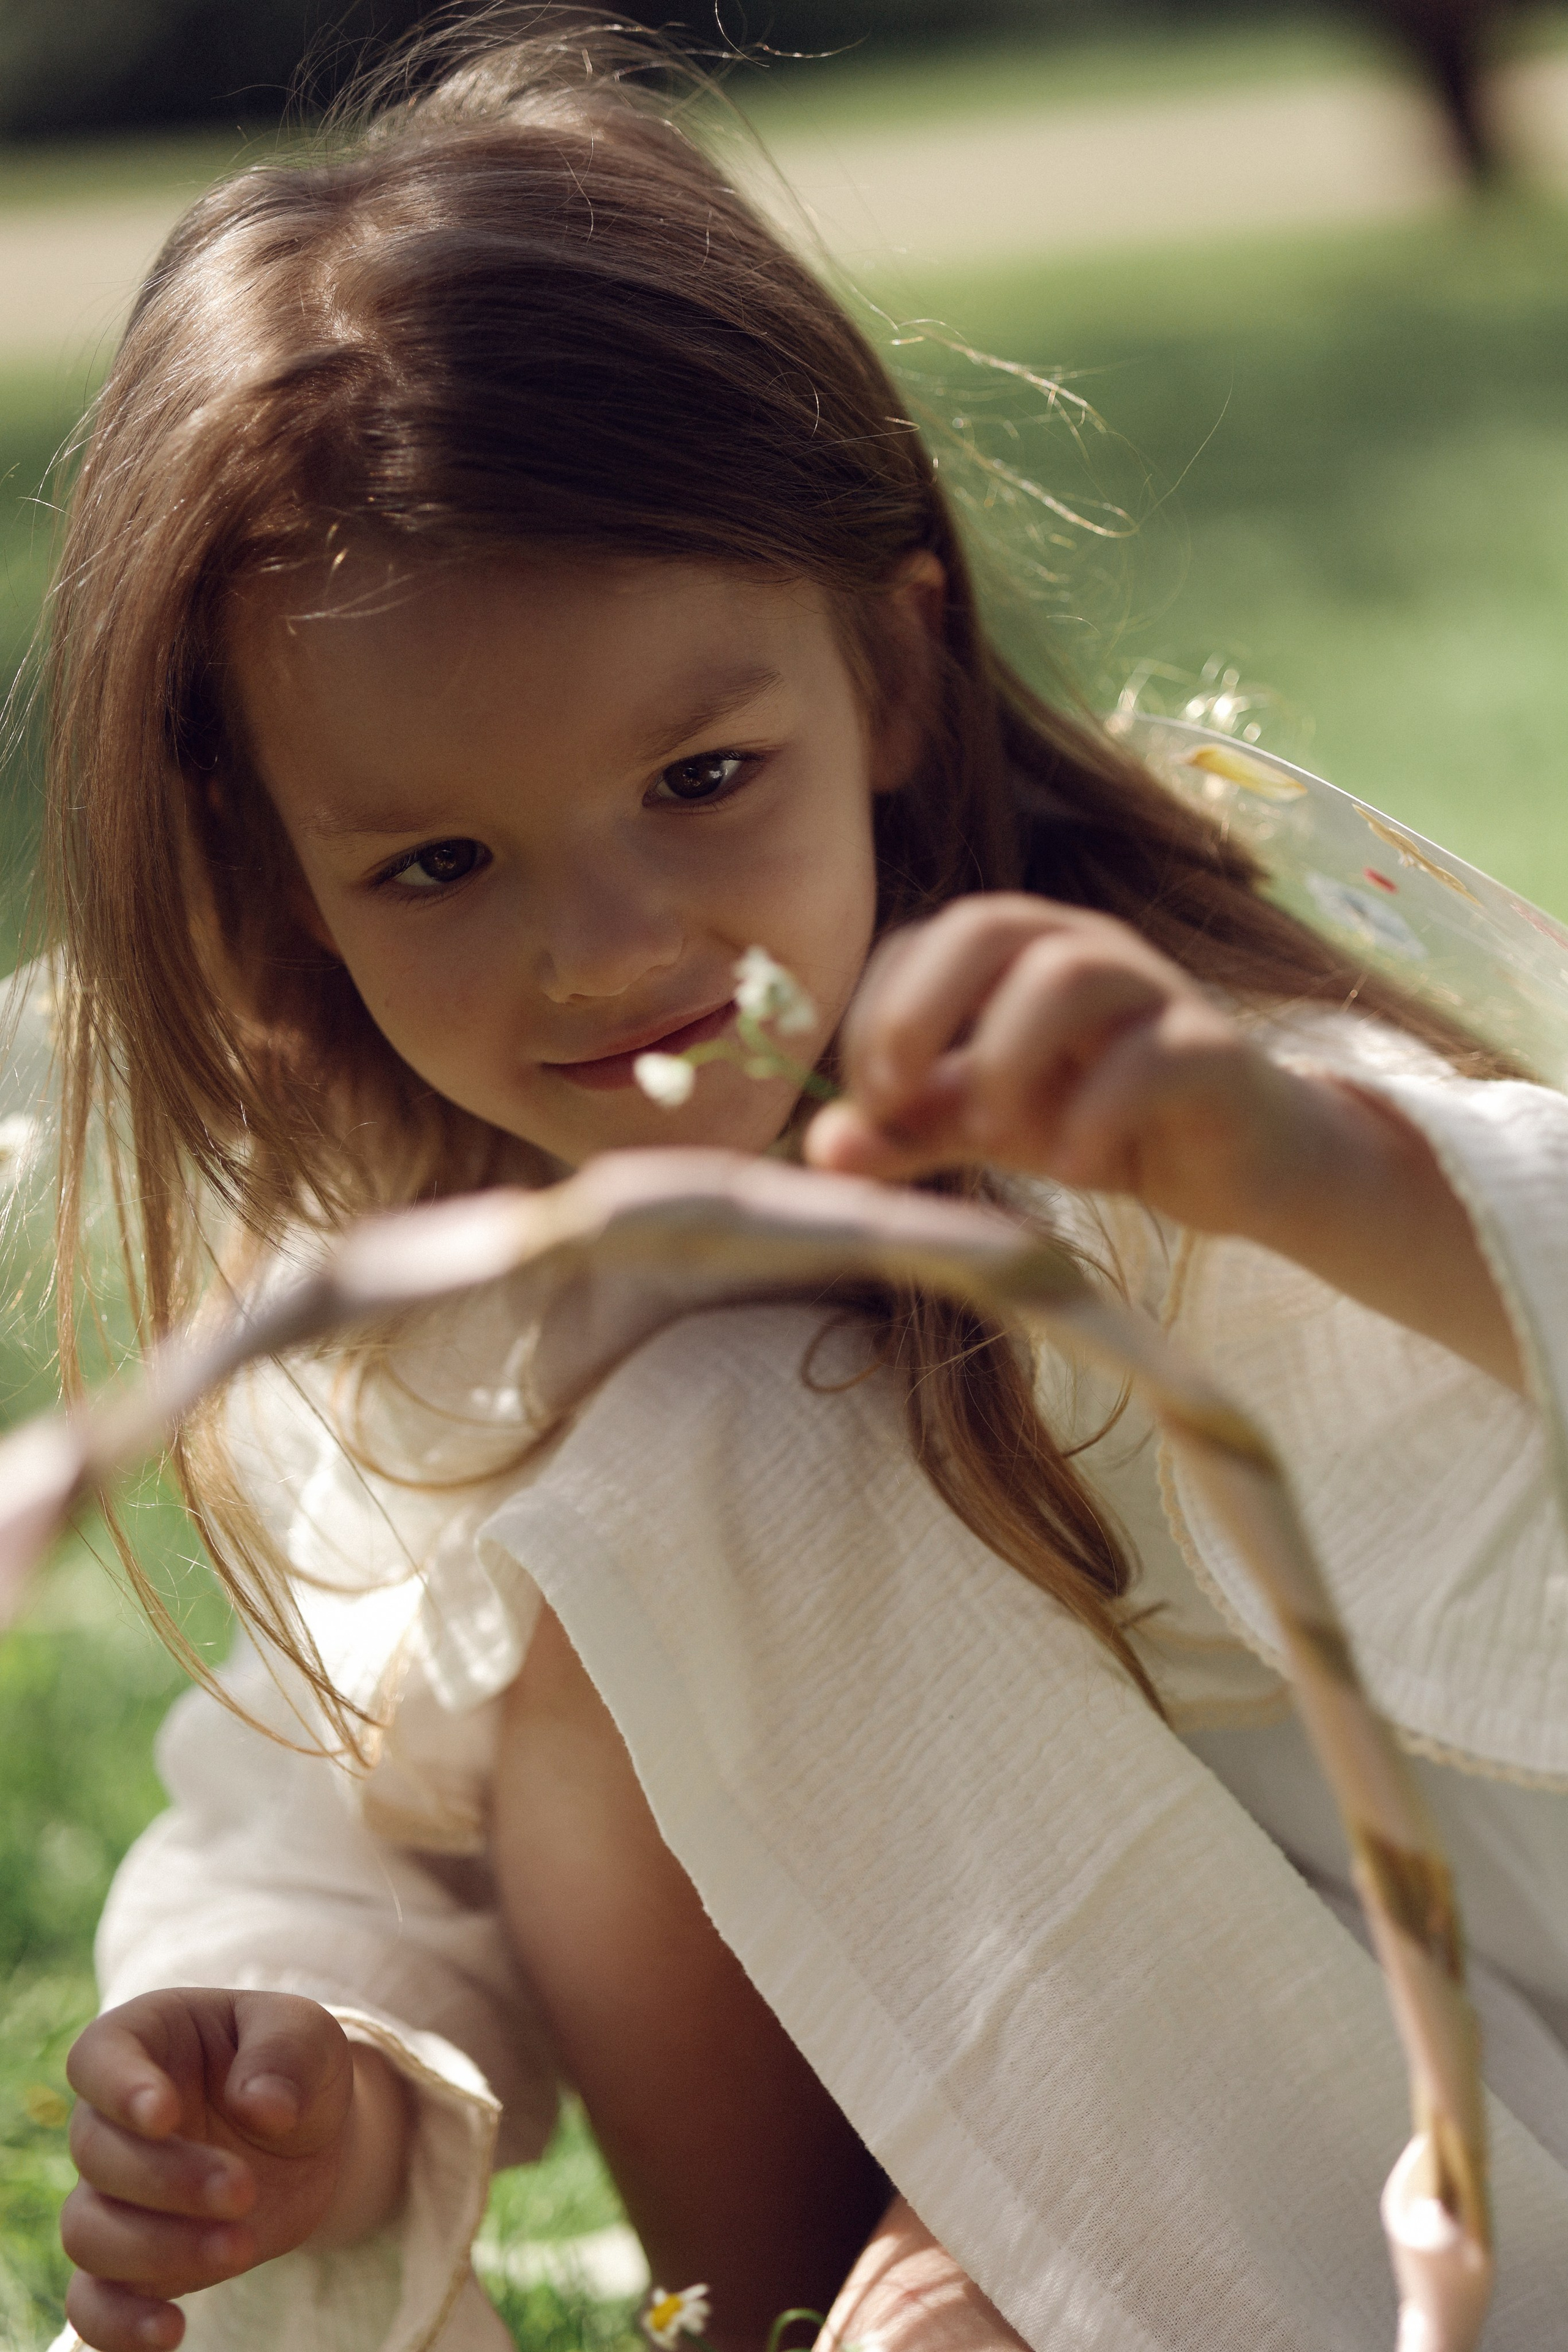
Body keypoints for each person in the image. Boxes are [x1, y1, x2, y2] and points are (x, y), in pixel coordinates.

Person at [37, 15, 1568, 2351]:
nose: (612, 947)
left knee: (722, 1450)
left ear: (894, 669)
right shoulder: (429, 1301)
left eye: (704, 773)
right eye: (439, 860)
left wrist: (1295, 1165)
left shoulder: (1131, 1081)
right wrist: (314, 2058)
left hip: (1449, 2135)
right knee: (625, 1516)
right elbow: (333, 1796)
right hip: (994, 2170)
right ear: (276, 880)